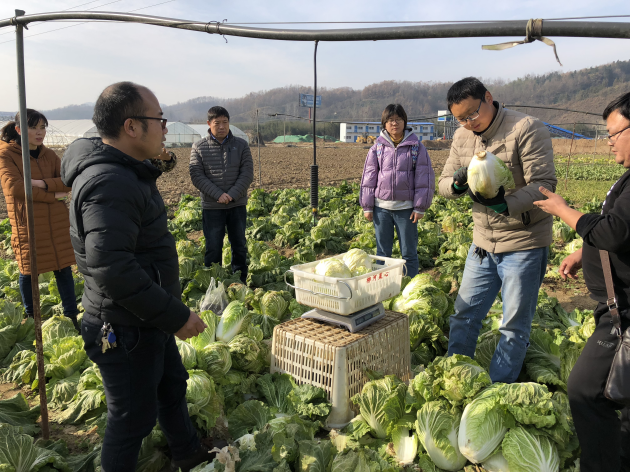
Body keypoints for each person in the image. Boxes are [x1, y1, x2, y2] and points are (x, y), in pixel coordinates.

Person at [61, 81, 215, 472]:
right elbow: (113, 269)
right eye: (159, 119)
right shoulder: (109, 182)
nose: (165, 127)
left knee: (171, 386)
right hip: (125, 325)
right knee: (132, 420)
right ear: (131, 126)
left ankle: (188, 453)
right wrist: (175, 316)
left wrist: (165, 314)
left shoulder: (123, 170)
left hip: (146, 316)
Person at [533, 92, 630, 472]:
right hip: (617, 305)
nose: (608, 142)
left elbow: (613, 232)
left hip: (624, 312)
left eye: (614, 133)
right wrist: (584, 252)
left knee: (585, 391)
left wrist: (564, 210)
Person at [438, 77, 556, 383]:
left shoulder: (526, 128)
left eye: (472, 114)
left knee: (513, 326)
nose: (469, 123)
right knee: (464, 315)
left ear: (488, 98)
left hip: (523, 241)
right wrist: (455, 185)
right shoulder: (462, 136)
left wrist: (508, 204)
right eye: (461, 119)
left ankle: (497, 391)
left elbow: (544, 184)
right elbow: (443, 182)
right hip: (482, 242)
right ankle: (456, 380)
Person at [0, 109, 79, 327]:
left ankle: (72, 317)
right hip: (29, 222)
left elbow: (67, 181)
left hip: (57, 222)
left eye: (43, 127)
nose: (39, 132)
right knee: (29, 271)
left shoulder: (49, 155)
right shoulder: (7, 155)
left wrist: (40, 183)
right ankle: (33, 319)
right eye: (33, 127)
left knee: (63, 268)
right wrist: (53, 195)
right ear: (18, 130)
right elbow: (16, 188)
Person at [359, 104, 435, 278]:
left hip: (406, 210)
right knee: (382, 253)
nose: (395, 123)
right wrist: (367, 206)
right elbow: (369, 178)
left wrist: (420, 207)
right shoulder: (377, 148)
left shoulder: (416, 147)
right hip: (381, 209)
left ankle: (409, 285)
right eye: (390, 120)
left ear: (404, 122)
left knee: (409, 253)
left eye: (398, 119)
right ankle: (382, 286)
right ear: (384, 124)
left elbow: (424, 178)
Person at [189, 106, 253, 284]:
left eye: (225, 122)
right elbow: (196, 176)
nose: (222, 126)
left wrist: (231, 195)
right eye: (217, 123)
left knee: (239, 245)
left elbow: (247, 174)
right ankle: (213, 283)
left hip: (236, 204)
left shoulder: (241, 145)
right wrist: (218, 195)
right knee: (213, 247)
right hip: (212, 206)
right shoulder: (199, 147)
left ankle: (239, 282)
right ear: (209, 124)